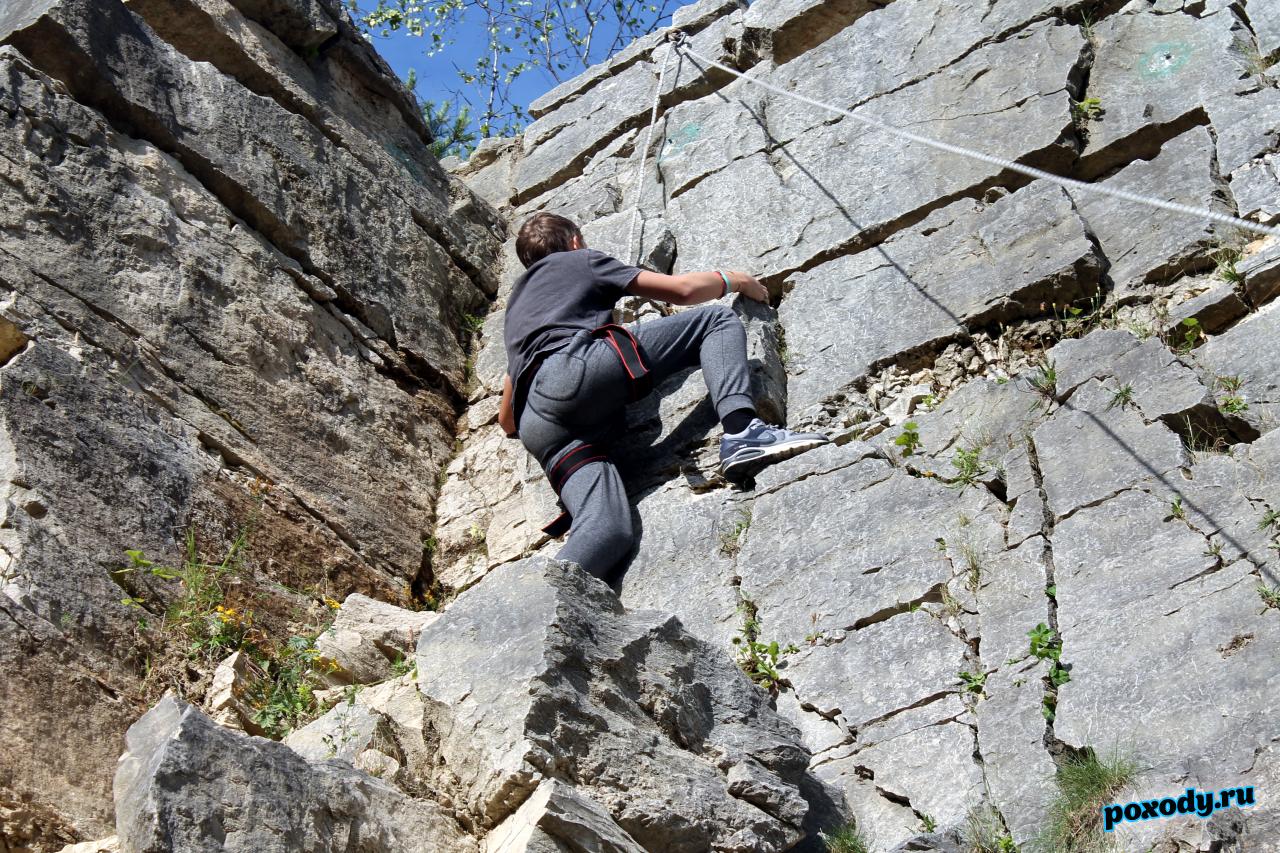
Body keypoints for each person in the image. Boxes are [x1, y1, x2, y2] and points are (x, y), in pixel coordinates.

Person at [498, 212, 827, 579]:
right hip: (574, 373)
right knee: (713, 322)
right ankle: (743, 430)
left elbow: (506, 420)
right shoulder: (580, 259)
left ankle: (548, 595)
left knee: (606, 530)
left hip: (537, 426)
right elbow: (683, 291)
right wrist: (737, 280)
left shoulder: (516, 309)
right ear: (575, 241)